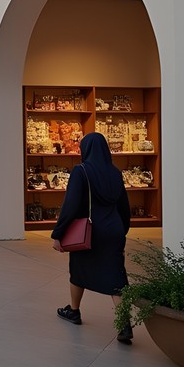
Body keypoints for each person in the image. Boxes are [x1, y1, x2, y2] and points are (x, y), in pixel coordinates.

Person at [51, 132, 133, 343]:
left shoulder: (82, 171)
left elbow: (71, 205)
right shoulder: (115, 172)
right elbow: (124, 205)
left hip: (89, 231)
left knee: (79, 270)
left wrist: (58, 233)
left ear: (85, 149)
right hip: (113, 229)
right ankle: (124, 324)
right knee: (117, 276)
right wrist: (122, 228)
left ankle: (74, 311)